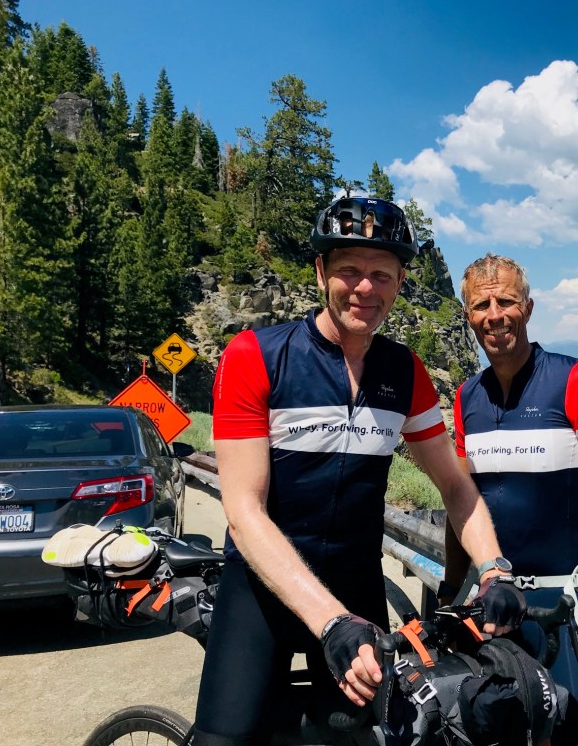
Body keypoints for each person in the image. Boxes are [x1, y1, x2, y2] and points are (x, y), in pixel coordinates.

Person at [193, 200, 524, 746]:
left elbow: (455, 485)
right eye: (349, 270)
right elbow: (244, 512)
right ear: (321, 272)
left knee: (368, 737)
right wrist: (330, 621)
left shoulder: (404, 372)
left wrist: (493, 570)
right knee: (225, 739)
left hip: (356, 586)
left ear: (399, 284)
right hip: (260, 592)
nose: (365, 288)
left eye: (382, 274)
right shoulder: (256, 356)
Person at [444, 253, 578, 743]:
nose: (495, 315)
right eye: (481, 305)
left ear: (528, 308)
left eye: (506, 302)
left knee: (577, 732)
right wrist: (450, 593)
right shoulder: (467, 397)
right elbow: (461, 502)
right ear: (468, 316)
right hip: (497, 607)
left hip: (572, 609)